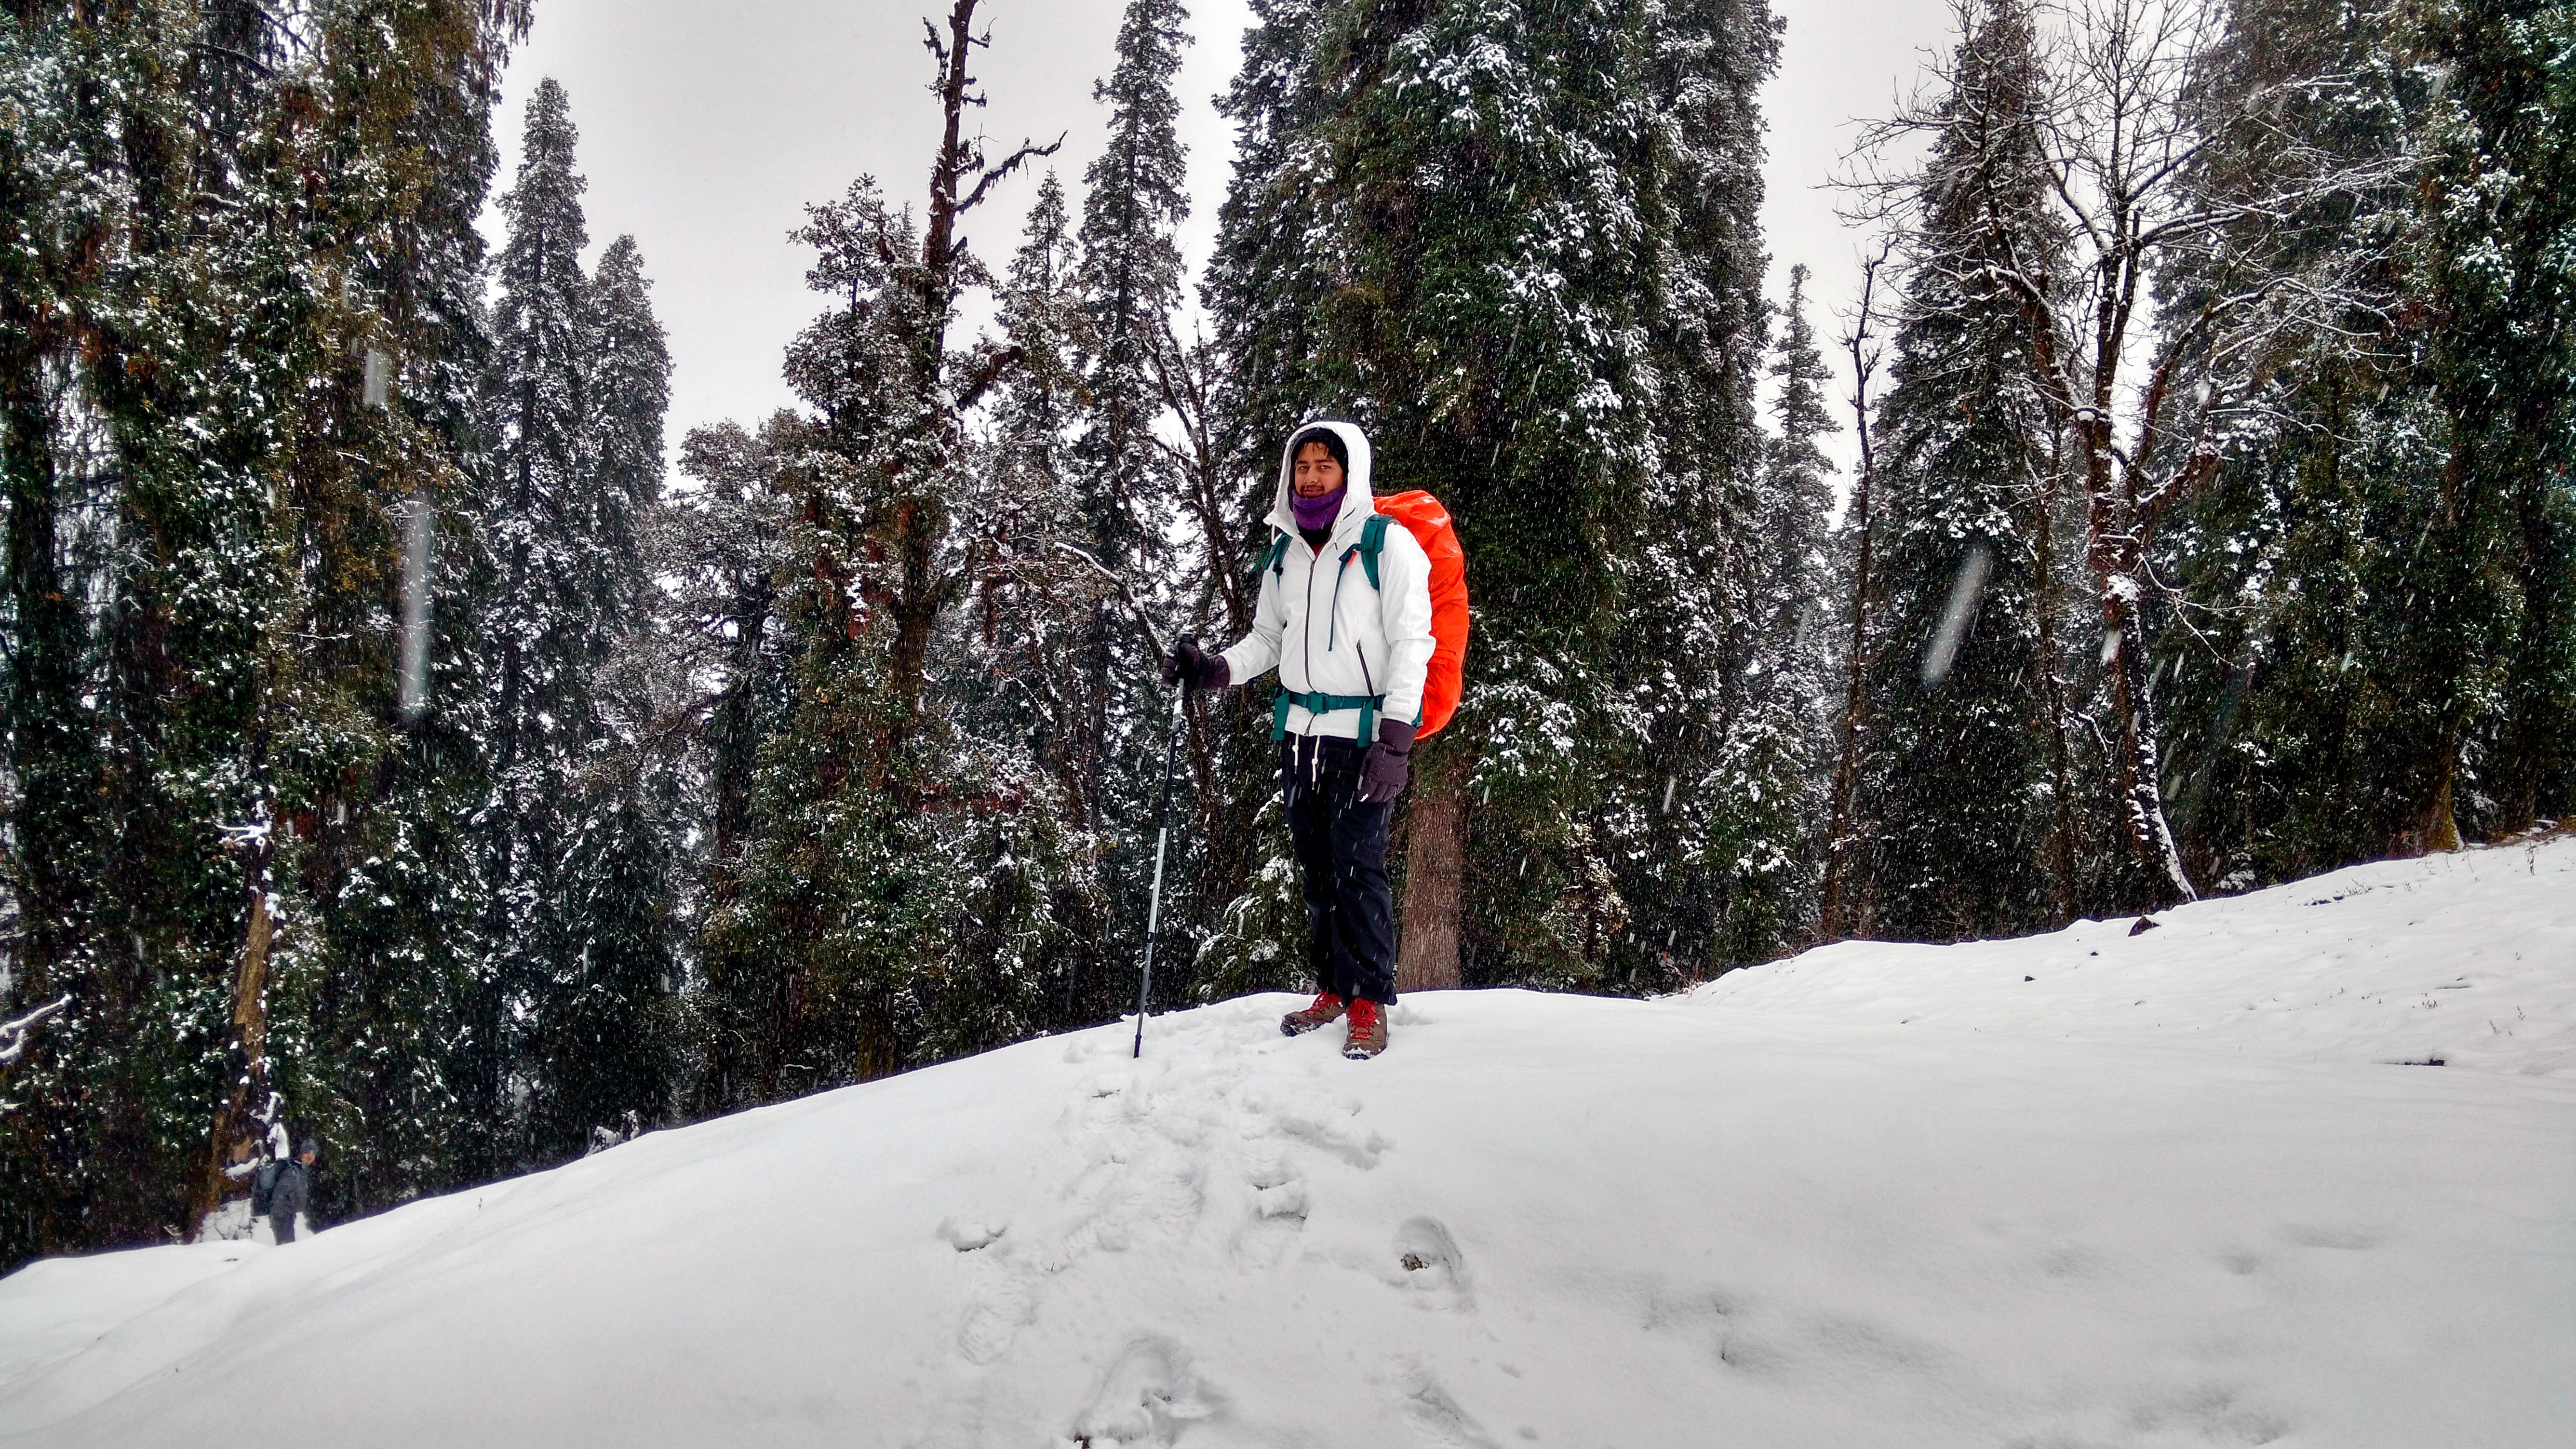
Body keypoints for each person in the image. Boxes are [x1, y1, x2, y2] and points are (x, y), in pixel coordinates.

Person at [1165, 420, 1435, 1059]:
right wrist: (1214, 669)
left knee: (1360, 870)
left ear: (1351, 474)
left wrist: (1395, 743)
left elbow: (1413, 644)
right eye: (1303, 466)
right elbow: (1267, 639)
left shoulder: (1384, 545)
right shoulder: (1285, 552)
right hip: (1297, 736)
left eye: (1325, 466)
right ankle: (1334, 987)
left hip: (1362, 738)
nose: (1311, 477)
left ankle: (1369, 996)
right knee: (1317, 873)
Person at [268, 1139, 318, 1244]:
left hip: (288, 1216)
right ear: (302, 1154)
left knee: (288, 1248)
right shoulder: (293, 1172)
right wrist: (284, 1212)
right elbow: (280, 1194)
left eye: (313, 1153)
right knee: (286, 1248)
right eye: (307, 1152)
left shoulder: (301, 1171)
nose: (310, 1156)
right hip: (282, 1217)